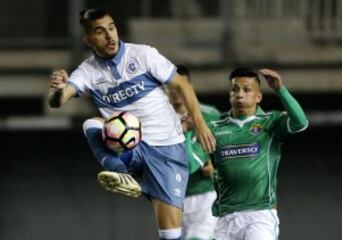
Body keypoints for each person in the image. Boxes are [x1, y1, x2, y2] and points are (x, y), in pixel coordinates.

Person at [48, 9, 215, 240]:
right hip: (131, 146)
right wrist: (57, 91)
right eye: (100, 31)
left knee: (170, 235)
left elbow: (182, 86)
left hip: (167, 149)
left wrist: (201, 124)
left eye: (112, 27)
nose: (110, 35)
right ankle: (120, 172)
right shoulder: (88, 71)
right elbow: (58, 100)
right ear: (88, 40)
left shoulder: (143, 54)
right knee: (92, 124)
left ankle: (129, 174)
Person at [210, 67, 308, 240]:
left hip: (259, 215)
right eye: (235, 89)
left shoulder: (270, 122)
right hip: (225, 218)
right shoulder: (215, 127)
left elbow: (301, 123)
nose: (239, 94)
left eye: (247, 90)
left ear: (258, 96)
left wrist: (280, 89)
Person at [168, 65, 219, 240]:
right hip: (172, 199)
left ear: (191, 88)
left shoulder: (210, 116)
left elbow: (222, 153)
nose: (177, 92)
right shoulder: (159, 119)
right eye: (172, 87)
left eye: (182, 87)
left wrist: (216, 170)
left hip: (204, 195)